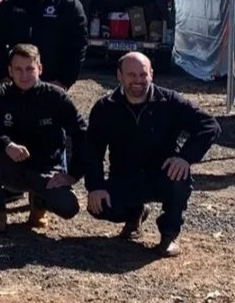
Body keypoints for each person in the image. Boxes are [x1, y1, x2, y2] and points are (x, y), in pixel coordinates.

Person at [85, 52, 220, 257]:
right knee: (99, 207)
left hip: (162, 175)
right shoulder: (105, 108)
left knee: (179, 178)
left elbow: (209, 126)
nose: (138, 80)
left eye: (143, 74)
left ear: (151, 74)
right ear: (119, 76)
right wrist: (95, 186)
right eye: (131, 75)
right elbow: (92, 150)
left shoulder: (170, 101)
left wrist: (185, 157)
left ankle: (169, 236)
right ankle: (134, 216)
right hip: (125, 176)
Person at [0, 44, 86, 233]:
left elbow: (81, 134)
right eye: (18, 69)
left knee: (69, 207)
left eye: (30, 69)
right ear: (10, 70)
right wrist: (7, 144)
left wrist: (73, 175)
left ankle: (39, 204)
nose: (24, 75)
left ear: (40, 69)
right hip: (11, 168)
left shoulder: (56, 98)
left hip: (44, 170)